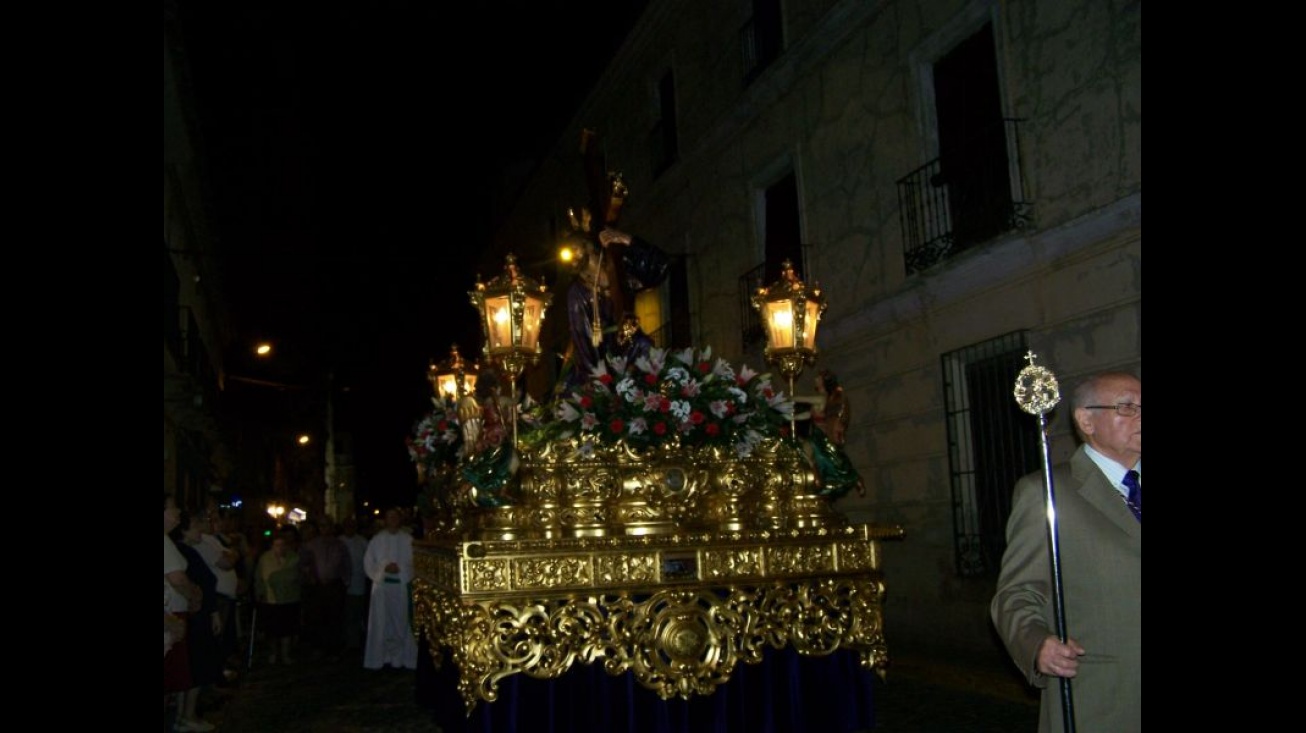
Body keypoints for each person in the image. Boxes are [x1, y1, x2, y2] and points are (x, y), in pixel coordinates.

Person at [990, 370, 1141, 733]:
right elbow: (1015, 595)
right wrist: (1037, 643)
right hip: (1105, 697)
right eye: (1127, 407)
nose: (1141, 416)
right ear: (1086, 419)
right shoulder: (1047, 493)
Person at [792, 369, 866, 498]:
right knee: (807, 452)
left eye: (819, 378)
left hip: (822, 435)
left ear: (824, 382)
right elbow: (808, 415)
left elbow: (800, 399)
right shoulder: (820, 399)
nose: (816, 379)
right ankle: (817, 478)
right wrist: (792, 418)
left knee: (832, 460)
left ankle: (849, 479)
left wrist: (788, 398)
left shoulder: (821, 398)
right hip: (815, 434)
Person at [363, 507, 418, 670]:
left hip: (401, 587)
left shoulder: (408, 540)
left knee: (401, 622)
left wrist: (401, 568)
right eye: (389, 516)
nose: (392, 519)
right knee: (382, 621)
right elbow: (368, 562)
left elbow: (415, 562)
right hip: (382, 587)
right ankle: (382, 657)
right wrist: (384, 568)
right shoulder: (377, 540)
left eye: (395, 516)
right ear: (385, 520)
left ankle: (402, 657)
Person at [298, 517, 352, 661]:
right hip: (317, 587)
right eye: (321, 526)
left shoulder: (340, 545)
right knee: (317, 618)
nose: (324, 529)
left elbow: (346, 564)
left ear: (332, 527)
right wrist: (310, 576)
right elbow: (303, 564)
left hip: (335, 586)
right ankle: (319, 648)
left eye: (327, 526)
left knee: (334, 617)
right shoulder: (311, 545)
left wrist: (346, 582)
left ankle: (333, 649)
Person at [254, 526, 303, 665]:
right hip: (272, 599)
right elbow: (259, 577)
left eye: (283, 545)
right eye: (277, 545)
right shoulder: (265, 559)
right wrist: (260, 592)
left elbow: (298, 576)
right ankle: (273, 653)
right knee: (273, 630)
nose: (280, 548)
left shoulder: (293, 557)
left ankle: (286, 654)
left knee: (287, 629)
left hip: (289, 598)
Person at [339, 516, 370, 657]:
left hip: (358, 583)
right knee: (345, 614)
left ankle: (355, 643)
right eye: (347, 526)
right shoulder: (339, 542)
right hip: (341, 586)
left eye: (352, 526)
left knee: (356, 613)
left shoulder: (362, 542)